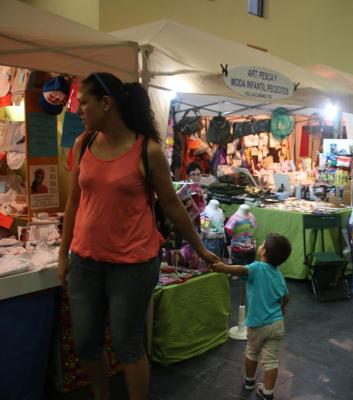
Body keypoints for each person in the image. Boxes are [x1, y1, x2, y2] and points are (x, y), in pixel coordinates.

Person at [58, 72, 221, 400]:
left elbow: (173, 207)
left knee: (127, 344)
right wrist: (64, 255)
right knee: (86, 341)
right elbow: (74, 202)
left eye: (84, 102)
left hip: (132, 264)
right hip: (86, 260)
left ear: (106, 103)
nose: (79, 109)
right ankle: (101, 396)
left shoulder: (147, 151)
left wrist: (201, 250)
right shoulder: (84, 143)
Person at [211, 234, 292, 400]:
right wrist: (282, 308)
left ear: (263, 252)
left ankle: (249, 381)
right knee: (271, 359)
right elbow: (286, 297)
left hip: (258, 324)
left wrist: (223, 267)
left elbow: (241, 269)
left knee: (252, 352)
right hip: (277, 324)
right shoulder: (279, 276)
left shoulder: (256, 268)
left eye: (262, 244)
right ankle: (268, 392)